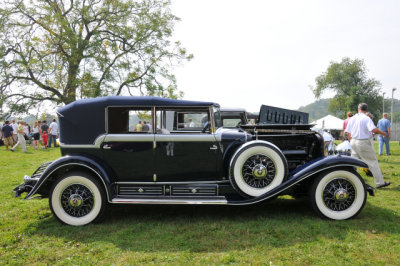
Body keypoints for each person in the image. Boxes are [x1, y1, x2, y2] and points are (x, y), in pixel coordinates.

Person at [345, 103, 390, 188]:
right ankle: (379, 183)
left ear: (358, 109)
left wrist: (351, 140)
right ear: (366, 110)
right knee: (373, 162)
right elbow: (373, 129)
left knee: (352, 163)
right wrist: (383, 132)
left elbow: (348, 132)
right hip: (362, 142)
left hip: (353, 141)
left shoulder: (352, 118)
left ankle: (347, 180)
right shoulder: (366, 118)